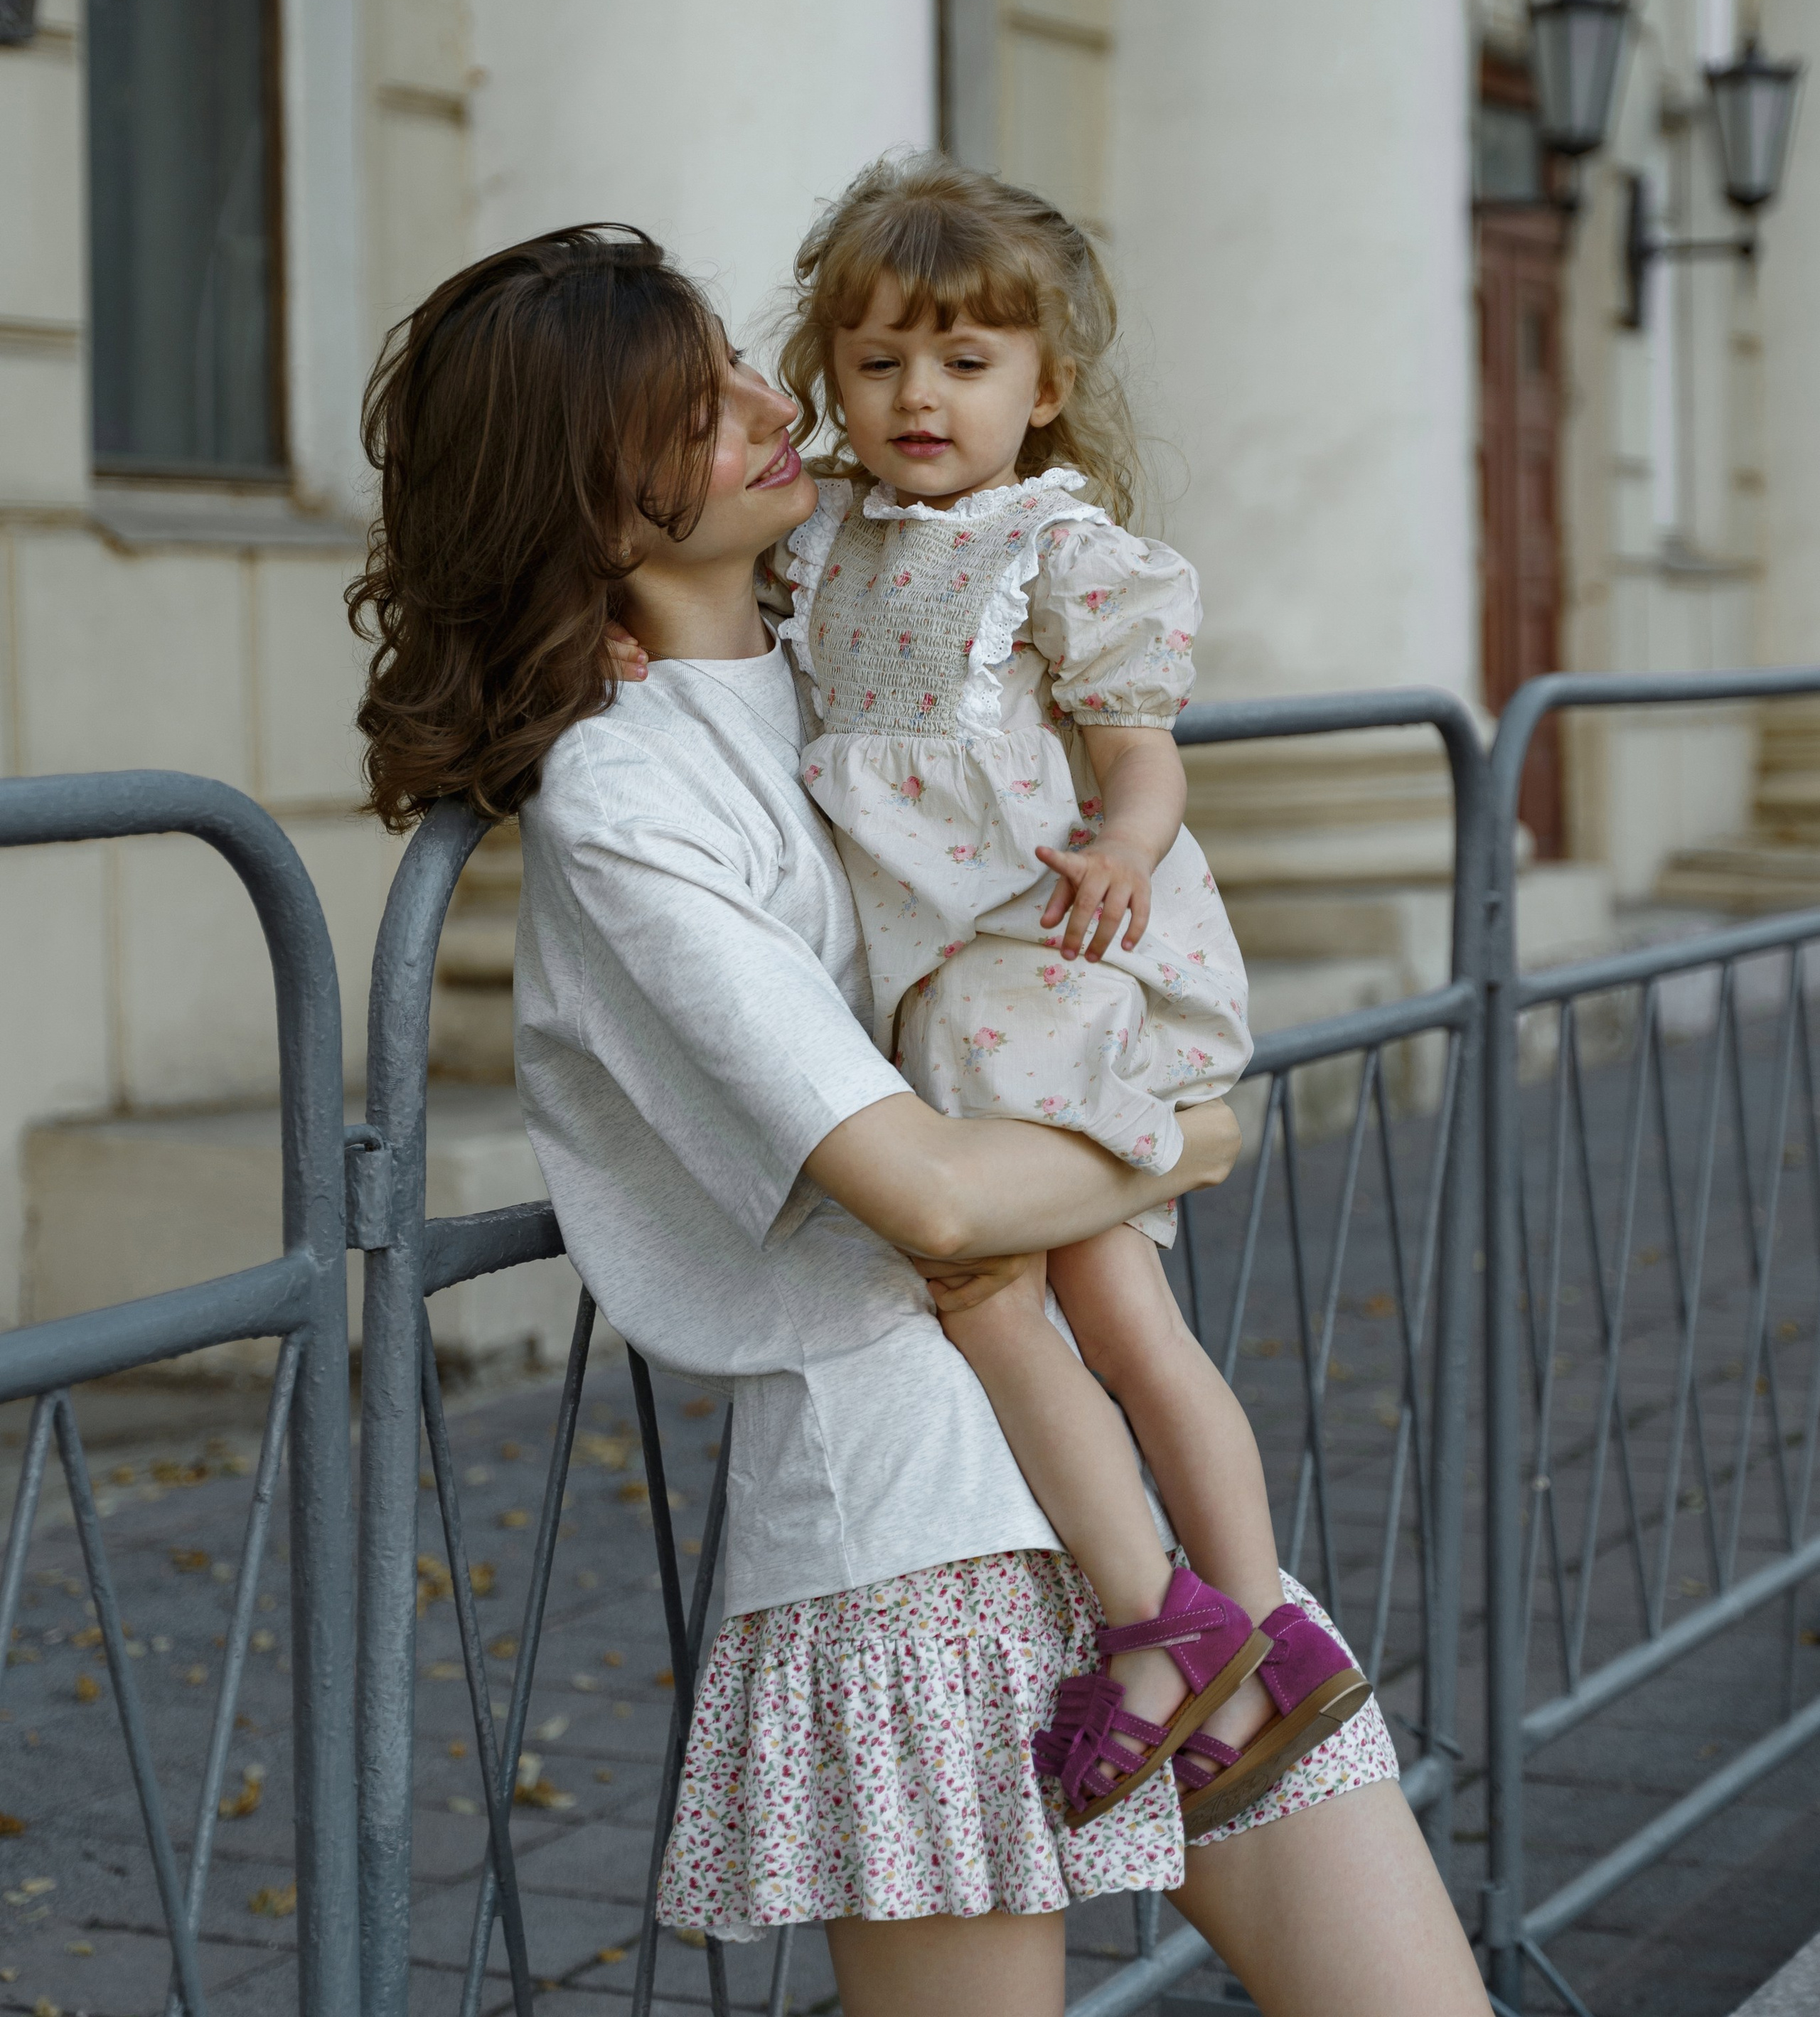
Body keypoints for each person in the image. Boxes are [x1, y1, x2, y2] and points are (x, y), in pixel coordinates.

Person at [349, 220, 1489, 2017]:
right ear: (588, 500)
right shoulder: (620, 800)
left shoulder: (844, 635)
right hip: (917, 1542)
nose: (761, 400)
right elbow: (936, 1202)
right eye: (687, 404)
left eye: (735, 360)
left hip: (1151, 1523)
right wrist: (1180, 1138)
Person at [766, 154, 1363, 1830]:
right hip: (951, 983)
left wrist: (1119, 845)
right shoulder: (821, 541)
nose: (915, 397)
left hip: (1042, 960)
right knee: (1111, 1310)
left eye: (963, 362)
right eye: (876, 361)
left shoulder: (1059, 552)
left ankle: (1163, 1628)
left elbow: (1142, 759)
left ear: (1044, 390)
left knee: (1002, 1294)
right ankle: (1260, 1629)